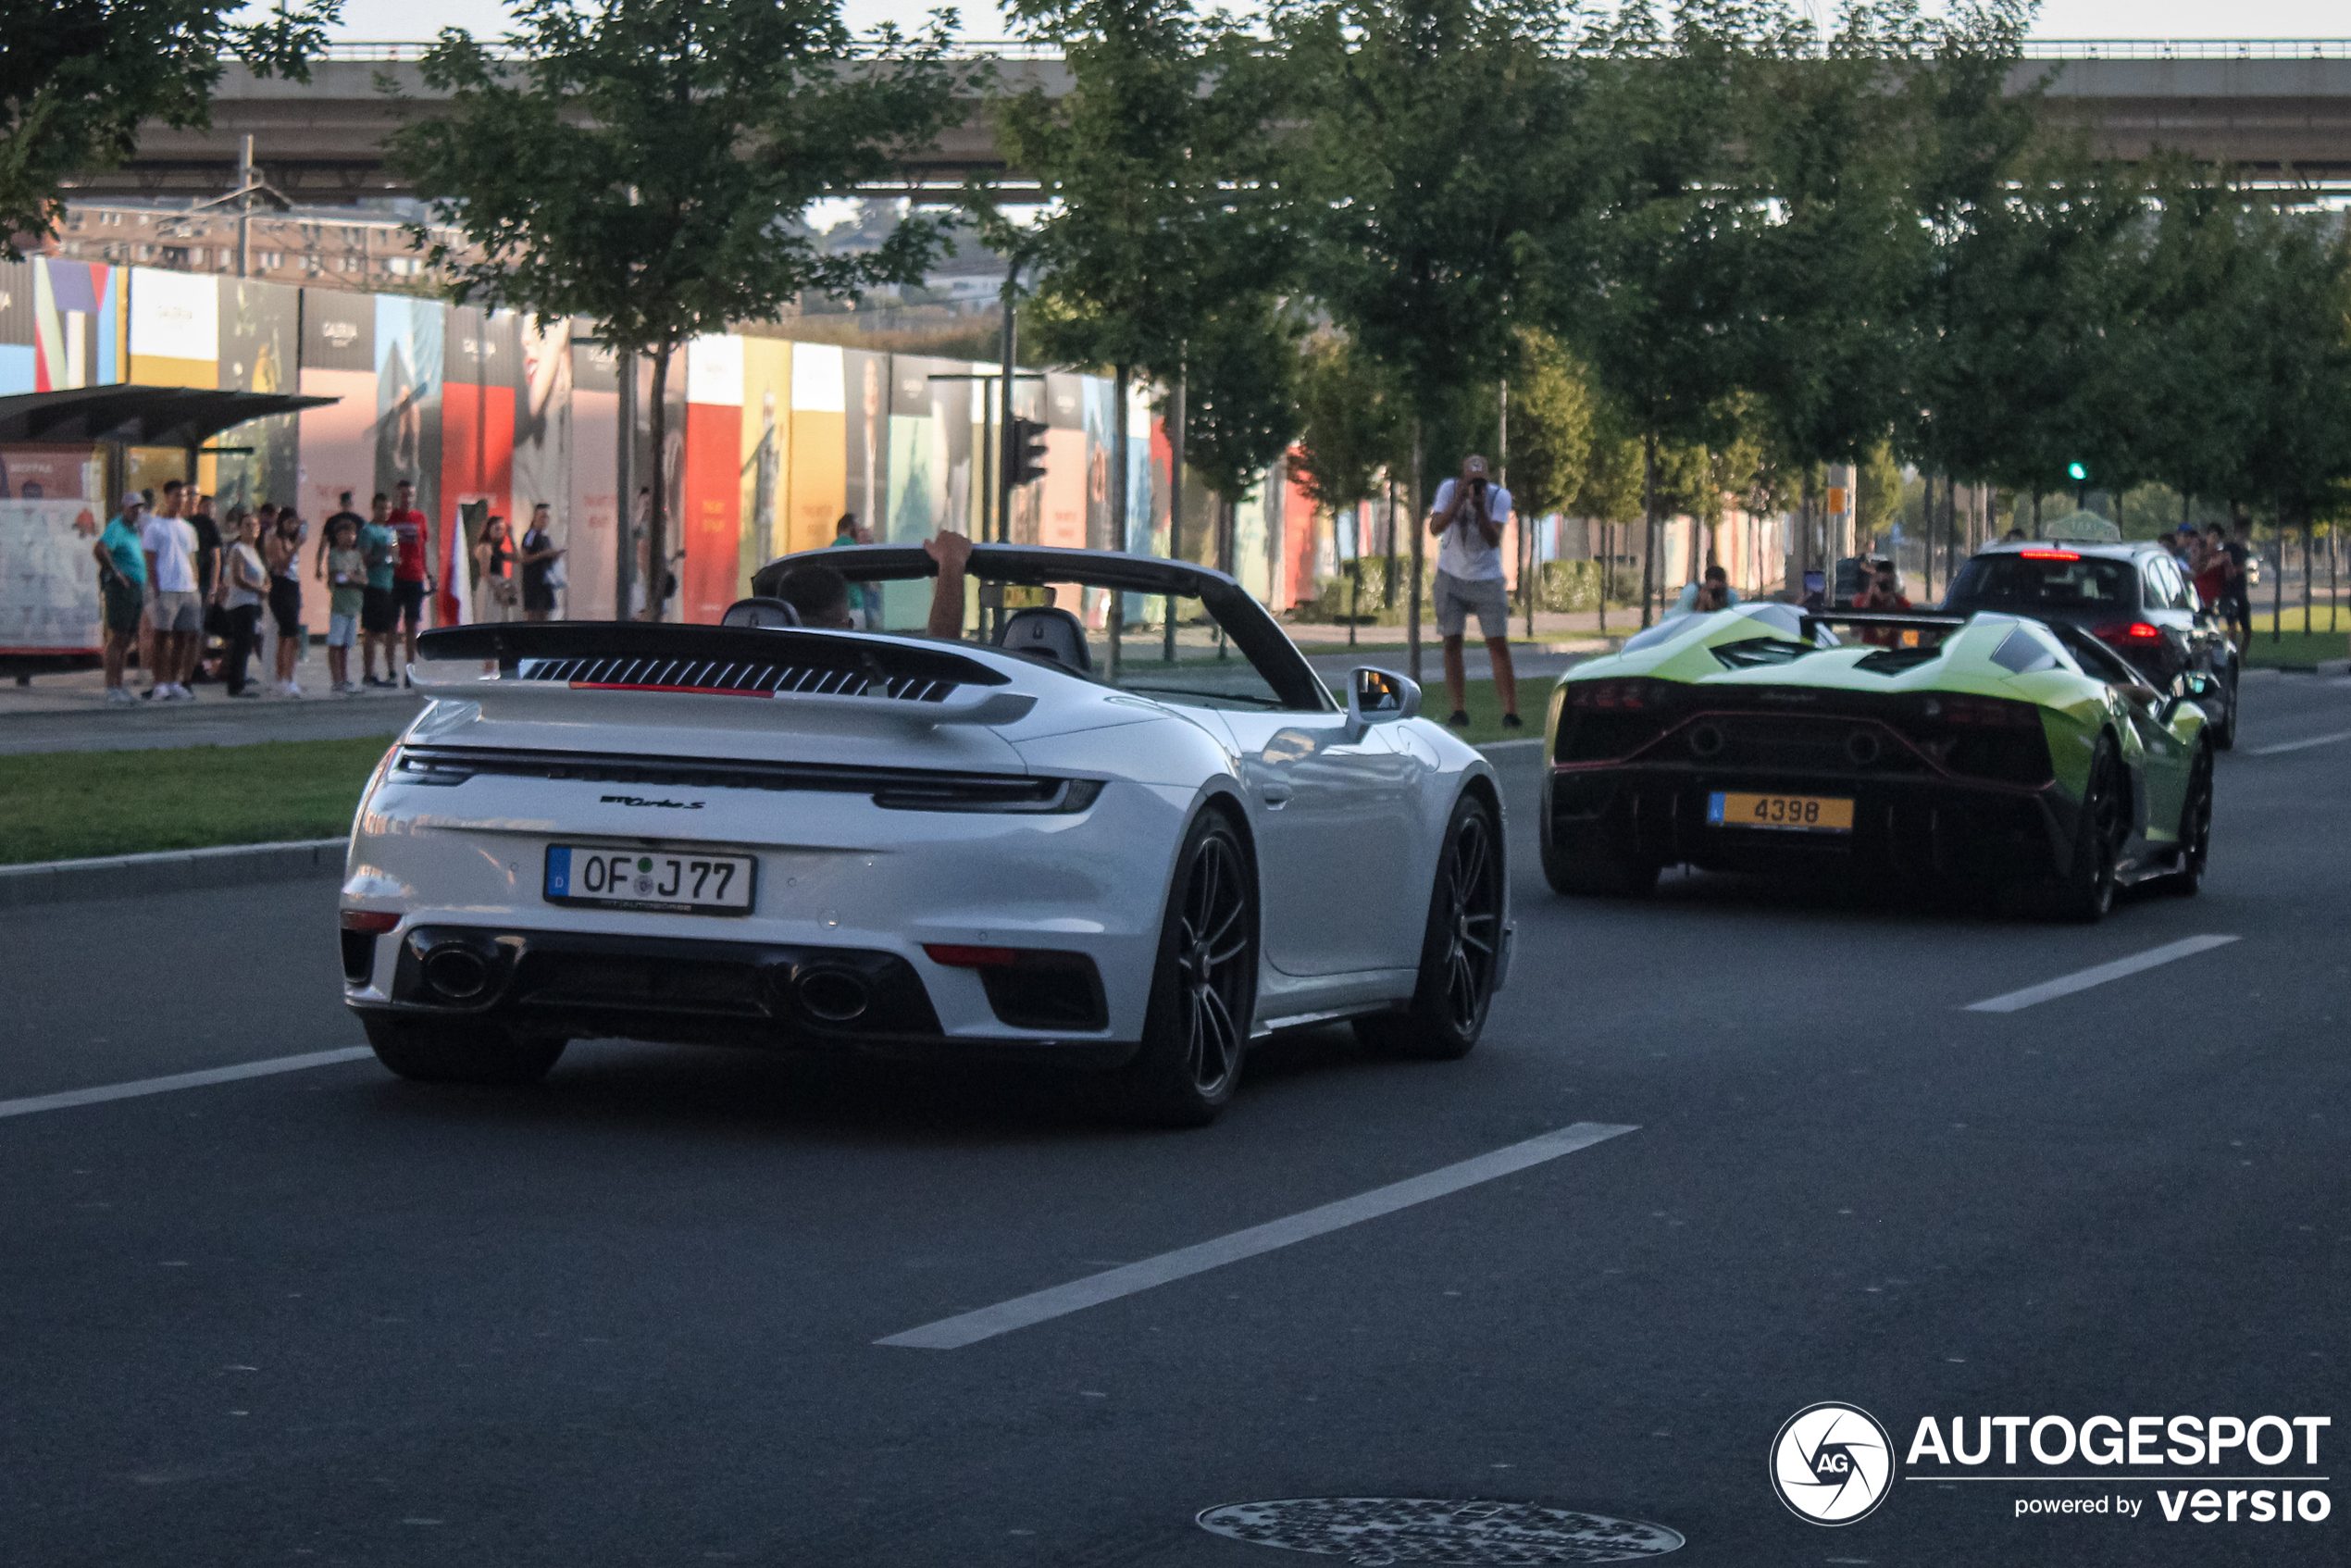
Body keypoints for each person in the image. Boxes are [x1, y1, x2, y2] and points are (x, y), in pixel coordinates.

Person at [1424, 454, 1521, 730]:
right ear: (1463, 477)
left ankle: (1510, 712)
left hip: (1487, 578)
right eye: (1471, 481)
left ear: (1487, 479)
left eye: (1480, 481)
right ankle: (1458, 710)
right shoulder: (1448, 489)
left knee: (1497, 644)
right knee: (1451, 642)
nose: (1475, 486)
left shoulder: (1499, 497)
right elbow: (1434, 528)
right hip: (1450, 576)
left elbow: (1493, 540)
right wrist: (1457, 501)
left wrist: (1479, 509)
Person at [772, 529, 969, 638]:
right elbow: (938, 667)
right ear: (847, 626)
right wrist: (951, 563)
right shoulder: (863, 678)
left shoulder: (752, 673)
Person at [140, 479, 202, 701]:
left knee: (183, 637)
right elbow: (150, 559)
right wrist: (155, 587)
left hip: (187, 588)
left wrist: (195, 583)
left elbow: (192, 558)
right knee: (161, 637)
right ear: (167, 497)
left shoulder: (188, 528)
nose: (181, 500)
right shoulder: (155, 526)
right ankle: (160, 683)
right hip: (165, 588)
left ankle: (175, 681)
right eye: (177, 495)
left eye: (184, 496)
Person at [92, 493, 147, 705]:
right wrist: (115, 572)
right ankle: (111, 686)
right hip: (121, 589)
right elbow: (101, 549)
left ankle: (119, 683)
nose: (137, 511)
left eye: (139, 507)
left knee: (126, 639)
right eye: (133, 507)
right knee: (118, 638)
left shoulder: (134, 529)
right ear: (124, 507)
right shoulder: (117, 527)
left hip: (135, 587)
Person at [386, 479, 434, 684]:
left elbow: (423, 549)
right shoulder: (391, 519)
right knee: (391, 625)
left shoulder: (420, 518)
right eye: (403, 495)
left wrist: (429, 574)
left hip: (415, 577)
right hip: (394, 578)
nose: (407, 499)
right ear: (398, 496)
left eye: (410, 495)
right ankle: (390, 670)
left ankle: (410, 669)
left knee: (412, 626)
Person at [218, 509, 269, 697]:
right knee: (241, 644)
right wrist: (259, 590)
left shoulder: (254, 550)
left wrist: (266, 587)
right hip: (240, 603)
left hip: (253, 603)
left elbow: (264, 576)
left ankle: (240, 679)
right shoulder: (238, 549)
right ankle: (235, 684)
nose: (252, 529)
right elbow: (238, 578)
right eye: (247, 525)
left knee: (247, 644)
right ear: (240, 528)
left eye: (255, 525)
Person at [264, 508, 308, 696]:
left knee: (290, 636)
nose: (292, 526)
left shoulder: (291, 539)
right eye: (288, 522)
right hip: (280, 588)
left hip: (292, 587)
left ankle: (287, 676)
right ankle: (282, 677)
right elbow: (281, 563)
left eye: (294, 522)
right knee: (288, 634)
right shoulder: (276, 540)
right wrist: (297, 546)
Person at [324, 516, 367, 693]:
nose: (348, 537)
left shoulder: (356, 555)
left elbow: (363, 579)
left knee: (346, 645)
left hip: (354, 605)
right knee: (335, 643)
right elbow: (335, 579)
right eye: (344, 533)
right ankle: (336, 679)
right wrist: (349, 577)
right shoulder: (334, 554)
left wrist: (351, 577)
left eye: (352, 534)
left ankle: (345, 676)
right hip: (339, 606)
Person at [358, 492, 398, 685]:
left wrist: (394, 557)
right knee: (371, 632)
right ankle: (368, 673)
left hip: (389, 585)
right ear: (374, 508)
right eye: (381, 508)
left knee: (389, 630)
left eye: (388, 508)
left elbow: (396, 553)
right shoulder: (368, 530)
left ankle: (391, 670)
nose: (385, 512)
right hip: (374, 585)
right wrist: (382, 555)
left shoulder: (392, 531)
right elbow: (365, 559)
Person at [185, 492, 223, 683]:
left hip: (198, 583)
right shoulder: (203, 524)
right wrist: (213, 588)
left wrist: (214, 587)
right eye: (207, 506)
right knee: (198, 628)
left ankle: (193, 666)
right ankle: (194, 667)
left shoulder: (198, 524)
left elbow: (216, 558)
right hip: (197, 583)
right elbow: (216, 557)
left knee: (199, 627)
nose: (210, 510)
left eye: (212, 507)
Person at [517, 503, 564, 622]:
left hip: (546, 581)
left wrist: (554, 556)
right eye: (542, 516)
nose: (545, 520)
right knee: (534, 614)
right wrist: (543, 554)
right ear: (535, 517)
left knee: (545, 613)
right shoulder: (530, 535)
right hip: (534, 581)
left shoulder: (546, 537)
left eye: (547, 517)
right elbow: (525, 558)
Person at [472, 514, 517, 623]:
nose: (500, 532)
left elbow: (516, 558)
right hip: (490, 585)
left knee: (501, 618)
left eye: (502, 529)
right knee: (489, 617)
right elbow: (485, 573)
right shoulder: (485, 547)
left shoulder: (498, 550)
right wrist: (499, 591)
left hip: (499, 584)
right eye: (497, 529)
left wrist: (511, 538)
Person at [319, 490, 365, 584]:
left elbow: (323, 544)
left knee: (348, 583)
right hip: (337, 555)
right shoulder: (358, 520)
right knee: (338, 583)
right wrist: (318, 565)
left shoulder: (358, 521)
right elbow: (323, 544)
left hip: (352, 556)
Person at [1673, 563, 1741, 616]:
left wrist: (1714, 606)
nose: (1716, 592)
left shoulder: (1731, 596)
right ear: (1706, 583)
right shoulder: (1691, 592)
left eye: (1720, 588)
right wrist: (1702, 604)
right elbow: (1684, 618)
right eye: (1713, 589)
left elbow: (1732, 618)